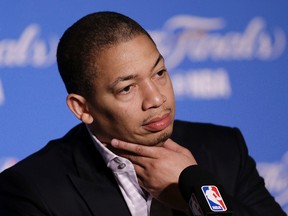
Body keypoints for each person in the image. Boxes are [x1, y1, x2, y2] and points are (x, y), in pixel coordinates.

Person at [0, 11, 285, 216]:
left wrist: (195, 193)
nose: (157, 98)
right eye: (127, 88)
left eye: (159, 72)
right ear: (82, 108)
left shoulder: (224, 148)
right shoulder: (32, 188)